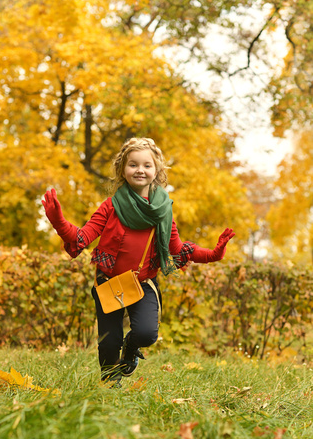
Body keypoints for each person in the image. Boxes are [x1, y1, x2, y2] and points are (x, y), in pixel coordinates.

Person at [42, 137, 235, 387]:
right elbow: (82, 237)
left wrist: (213, 254)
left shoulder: (163, 210)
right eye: (133, 165)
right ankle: (110, 385)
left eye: (147, 165)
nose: (140, 170)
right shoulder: (110, 206)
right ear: (123, 169)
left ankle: (131, 348)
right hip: (109, 283)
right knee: (109, 342)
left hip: (142, 283)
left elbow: (176, 250)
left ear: (156, 171)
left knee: (146, 333)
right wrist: (59, 221)